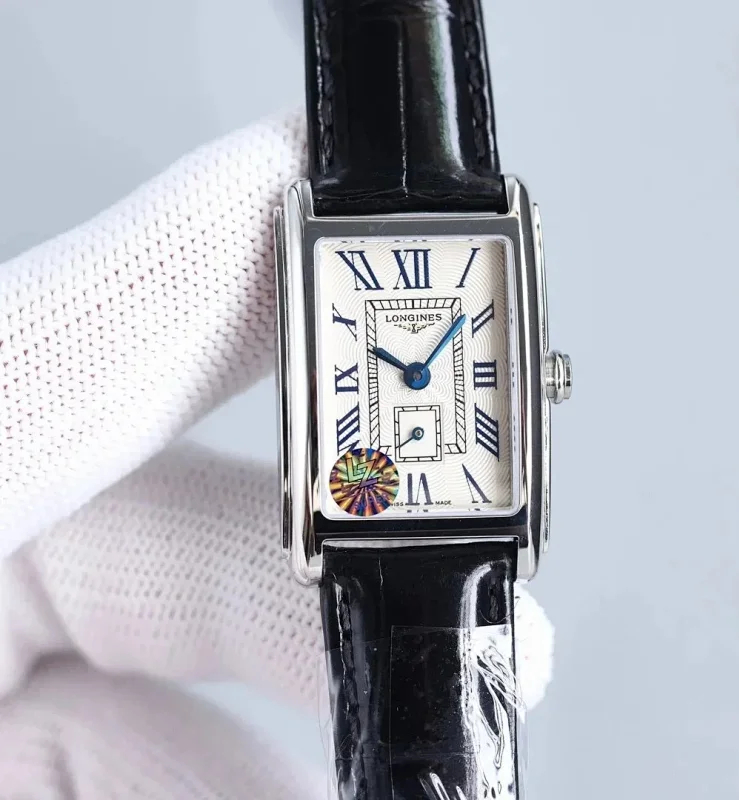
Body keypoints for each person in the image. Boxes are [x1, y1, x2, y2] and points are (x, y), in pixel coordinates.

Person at [0, 111, 553, 799]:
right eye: (412, 373)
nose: (417, 379)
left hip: (420, 526)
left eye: (423, 373)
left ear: (543, 377)